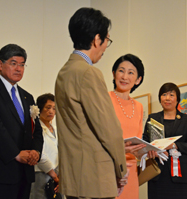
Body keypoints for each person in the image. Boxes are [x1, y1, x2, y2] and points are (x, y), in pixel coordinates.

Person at [55, 7, 127, 199]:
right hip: (94, 178)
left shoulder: (64, 72)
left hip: (73, 177)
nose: (105, 47)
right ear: (97, 39)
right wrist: (121, 169)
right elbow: (108, 129)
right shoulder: (89, 73)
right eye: (107, 41)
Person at [0, 44, 44, 199]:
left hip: (24, 174)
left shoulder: (28, 97)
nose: (18, 69)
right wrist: (16, 154)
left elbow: (37, 130)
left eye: (22, 64)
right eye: (13, 63)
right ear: (0, 64)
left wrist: (36, 152)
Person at [143, 82, 187, 199]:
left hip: (181, 176)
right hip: (156, 176)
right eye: (164, 94)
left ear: (177, 99)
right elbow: (145, 142)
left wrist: (173, 145)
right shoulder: (153, 118)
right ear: (160, 98)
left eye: (171, 95)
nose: (167, 98)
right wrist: (151, 151)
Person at [108, 54, 146, 199]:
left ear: (138, 80)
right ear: (114, 73)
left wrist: (149, 152)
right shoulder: (104, 99)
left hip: (131, 170)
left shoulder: (139, 106)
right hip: (109, 168)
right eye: (121, 71)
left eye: (131, 73)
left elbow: (138, 140)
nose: (125, 76)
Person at [30, 93, 62, 199]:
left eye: (54, 108)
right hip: (41, 173)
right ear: (39, 109)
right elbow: (40, 154)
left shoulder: (56, 128)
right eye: (48, 108)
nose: (51, 111)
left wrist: (59, 176)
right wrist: (54, 175)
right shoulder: (36, 128)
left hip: (58, 174)